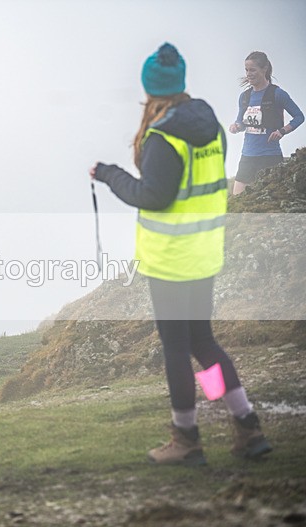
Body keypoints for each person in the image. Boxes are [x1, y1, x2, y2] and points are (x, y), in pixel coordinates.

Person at [90, 43, 272, 465]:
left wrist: (110, 175)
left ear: (150, 90)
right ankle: (245, 424)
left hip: (171, 259)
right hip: (204, 253)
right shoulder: (212, 126)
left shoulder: (162, 137)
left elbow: (152, 196)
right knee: (203, 343)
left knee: (176, 348)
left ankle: (186, 437)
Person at [229, 51, 303, 195]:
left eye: (252, 70)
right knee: (236, 200)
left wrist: (282, 131)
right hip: (247, 156)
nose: (248, 74)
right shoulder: (244, 97)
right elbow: (241, 121)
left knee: (270, 201)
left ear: (264, 69)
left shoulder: (277, 94)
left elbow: (299, 117)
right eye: (246, 70)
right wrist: (236, 126)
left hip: (270, 156)